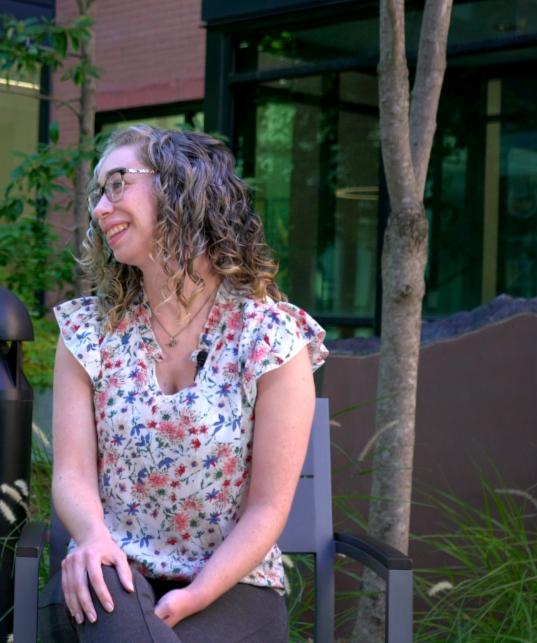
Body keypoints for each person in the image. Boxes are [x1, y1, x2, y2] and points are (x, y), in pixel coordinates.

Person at [42, 126, 328, 642]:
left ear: (181, 188)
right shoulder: (89, 333)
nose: (100, 210)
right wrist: (91, 538)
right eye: (97, 194)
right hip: (111, 568)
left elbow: (268, 507)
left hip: (232, 582)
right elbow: (72, 475)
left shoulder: (269, 338)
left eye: (117, 184)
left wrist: (196, 594)